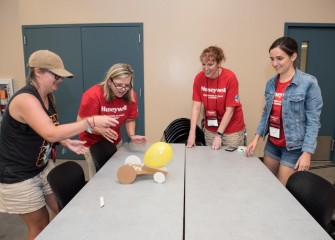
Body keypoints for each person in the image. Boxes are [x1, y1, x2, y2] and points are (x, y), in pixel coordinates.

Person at [0, 50, 117, 239]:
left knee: (62, 209)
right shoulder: (25, 99)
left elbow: (48, 127)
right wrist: (90, 122)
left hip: (42, 166)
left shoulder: (48, 96)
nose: (60, 80)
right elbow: (49, 132)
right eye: (55, 75)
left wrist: (64, 140)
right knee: (39, 227)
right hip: (18, 175)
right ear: (37, 71)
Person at [245, 37, 323, 186]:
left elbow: (313, 121)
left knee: (283, 190)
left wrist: (307, 153)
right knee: (267, 184)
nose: (274, 63)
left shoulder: (308, 83)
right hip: (273, 144)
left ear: (293, 56)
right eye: (272, 59)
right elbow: (266, 114)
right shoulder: (270, 84)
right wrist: (256, 138)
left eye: (279, 58)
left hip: (293, 147)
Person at [77, 63, 146, 179]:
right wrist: (100, 130)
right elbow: (80, 124)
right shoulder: (92, 95)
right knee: (98, 178)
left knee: (116, 174)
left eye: (127, 85)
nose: (123, 89)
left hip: (114, 141)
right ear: (109, 81)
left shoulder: (131, 95)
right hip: (91, 144)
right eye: (119, 85)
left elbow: (130, 120)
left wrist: (132, 135)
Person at [186, 46, 245, 150]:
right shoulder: (199, 78)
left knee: (231, 162)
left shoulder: (230, 77)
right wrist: (192, 132)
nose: (206, 68)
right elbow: (196, 107)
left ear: (218, 63)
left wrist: (219, 135)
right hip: (211, 128)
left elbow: (230, 110)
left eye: (210, 64)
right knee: (212, 160)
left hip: (232, 129)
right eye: (203, 64)